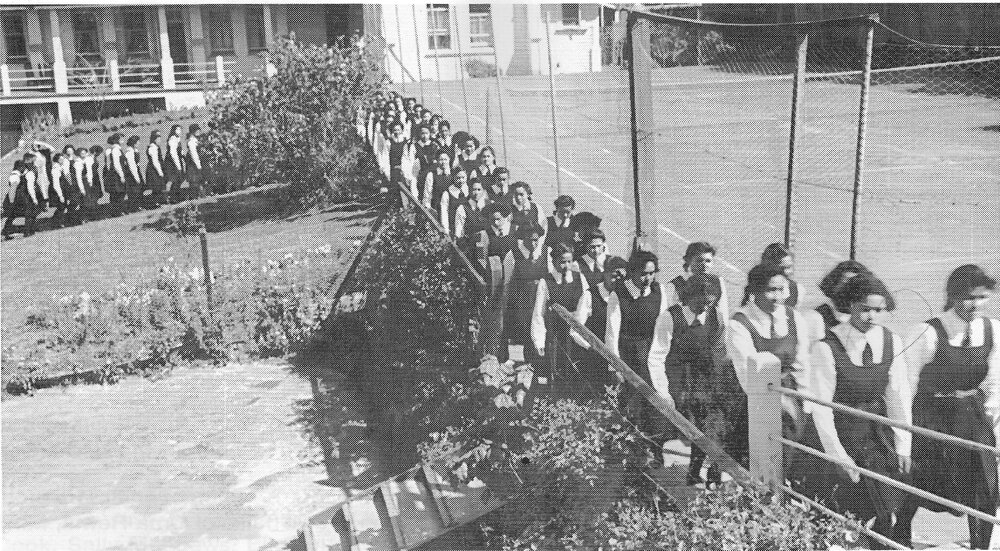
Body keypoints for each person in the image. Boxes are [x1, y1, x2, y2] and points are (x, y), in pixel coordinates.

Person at [796, 273, 912, 546]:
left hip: (876, 435)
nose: (871, 316)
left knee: (885, 510)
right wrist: (839, 457)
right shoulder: (827, 347)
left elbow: (898, 395)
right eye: (864, 309)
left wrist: (903, 445)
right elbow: (822, 409)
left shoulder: (891, 341)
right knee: (838, 512)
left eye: (878, 310)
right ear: (849, 306)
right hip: (839, 434)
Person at [896, 265, 999, 549]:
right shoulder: (927, 332)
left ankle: (981, 545)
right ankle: (898, 534)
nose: (976, 304)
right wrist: (904, 435)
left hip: (973, 416)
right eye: (968, 297)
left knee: (985, 484)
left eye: (982, 297)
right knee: (919, 482)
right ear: (953, 296)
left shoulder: (993, 330)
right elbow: (905, 386)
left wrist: (991, 427)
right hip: (932, 415)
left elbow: (994, 383)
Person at [726, 263, 812, 469]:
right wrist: (775, 403)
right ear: (755, 291)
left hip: (788, 394)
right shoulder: (739, 323)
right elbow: (746, 373)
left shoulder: (794, 318)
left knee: (792, 453)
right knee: (756, 457)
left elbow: (802, 364)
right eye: (770, 290)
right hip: (751, 398)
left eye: (781, 290)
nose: (777, 297)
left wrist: (806, 402)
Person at [648, 273, 728, 486]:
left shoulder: (716, 317)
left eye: (709, 304)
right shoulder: (670, 317)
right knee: (683, 424)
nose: (703, 308)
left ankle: (702, 470)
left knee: (710, 424)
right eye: (699, 303)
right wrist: (663, 391)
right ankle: (668, 460)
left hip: (704, 378)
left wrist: (720, 385)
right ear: (688, 297)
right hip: (677, 378)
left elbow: (720, 353)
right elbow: (656, 356)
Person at [606, 250, 673, 465]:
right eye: (644, 274)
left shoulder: (659, 291)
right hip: (629, 354)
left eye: (652, 273)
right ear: (632, 273)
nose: (649, 278)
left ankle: (655, 448)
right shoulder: (618, 295)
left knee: (654, 404)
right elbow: (612, 333)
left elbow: (662, 328)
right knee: (628, 402)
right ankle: (628, 449)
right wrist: (616, 366)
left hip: (652, 354)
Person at [531, 242, 587, 386]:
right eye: (562, 262)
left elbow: (585, 306)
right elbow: (538, 313)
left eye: (569, 261)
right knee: (556, 366)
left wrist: (578, 329)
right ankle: (555, 397)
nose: (567, 266)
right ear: (554, 261)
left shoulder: (579, 278)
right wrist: (539, 340)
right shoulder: (546, 282)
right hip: (554, 331)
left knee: (575, 364)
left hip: (575, 330)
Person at [571, 255, 629, 389]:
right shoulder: (590, 295)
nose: (617, 280)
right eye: (614, 275)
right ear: (605, 274)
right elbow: (575, 331)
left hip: (621, 358)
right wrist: (592, 347)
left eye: (622, 277)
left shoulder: (625, 297)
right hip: (594, 359)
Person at [804, 260, 874, 345]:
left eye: (857, 285)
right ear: (833, 284)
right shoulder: (815, 318)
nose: (851, 290)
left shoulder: (865, 323)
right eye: (847, 283)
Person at [507, 223, 548, 362]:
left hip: (541, 298)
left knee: (540, 328)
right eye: (530, 239)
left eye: (536, 239)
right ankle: (528, 363)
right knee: (526, 330)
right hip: (522, 299)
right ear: (523, 238)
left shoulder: (546, 252)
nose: (533, 243)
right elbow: (507, 281)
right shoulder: (513, 254)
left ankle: (539, 364)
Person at [3, 158, 39, 238]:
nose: (26, 169)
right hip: (19, 198)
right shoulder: (15, 175)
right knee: (28, 213)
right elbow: (13, 189)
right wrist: (11, 202)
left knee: (12, 215)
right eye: (24, 167)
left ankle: (6, 232)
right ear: (20, 167)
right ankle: (27, 232)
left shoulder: (18, 174)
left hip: (18, 198)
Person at [761, 243, 803, 307]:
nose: (790, 272)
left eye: (790, 267)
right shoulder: (757, 290)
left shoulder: (798, 290)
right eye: (783, 268)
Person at [439, 171, 469, 237]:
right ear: (453, 178)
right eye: (458, 178)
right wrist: (446, 229)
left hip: (468, 228)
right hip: (453, 228)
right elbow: (444, 212)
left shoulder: (470, 190)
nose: (461, 180)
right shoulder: (447, 193)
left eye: (463, 177)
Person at [104, 134, 127, 215]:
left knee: (119, 193)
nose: (123, 140)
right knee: (117, 193)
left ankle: (118, 211)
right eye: (121, 138)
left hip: (117, 173)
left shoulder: (117, 149)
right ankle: (116, 212)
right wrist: (121, 175)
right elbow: (116, 164)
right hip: (115, 174)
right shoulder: (115, 150)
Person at [164, 124, 185, 203]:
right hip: (171, 162)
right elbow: (173, 153)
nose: (179, 131)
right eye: (177, 130)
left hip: (176, 160)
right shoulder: (172, 139)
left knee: (178, 179)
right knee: (173, 180)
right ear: (174, 131)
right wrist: (178, 166)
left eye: (180, 130)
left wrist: (183, 156)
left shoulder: (177, 138)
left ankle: (177, 196)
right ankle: (172, 197)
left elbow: (180, 150)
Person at [146, 130, 166, 208]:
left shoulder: (156, 147)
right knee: (156, 186)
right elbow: (155, 161)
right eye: (158, 139)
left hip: (156, 168)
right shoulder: (152, 148)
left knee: (158, 186)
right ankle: (154, 203)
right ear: (154, 139)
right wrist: (160, 171)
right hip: (153, 169)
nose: (160, 140)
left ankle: (158, 201)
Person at [124, 135, 144, 212]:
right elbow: (132, 165)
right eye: (138, 141)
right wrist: (136, 177)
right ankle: (133, 207)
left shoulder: (134, 150)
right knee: (134, 191)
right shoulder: (129, 152)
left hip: (136, 170)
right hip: (131, 174)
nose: (139, 143)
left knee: (139, 189)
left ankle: (138, 206)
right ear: (134, 143)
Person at [185, 124, 204, 199]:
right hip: (192, 163)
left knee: (197, 178)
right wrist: (198, 165)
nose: (199, 131)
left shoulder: (196, 140)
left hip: (195, 161)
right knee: (194, 179)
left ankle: (199, 194)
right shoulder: (191, 141)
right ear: (193, 132)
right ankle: (194, 195)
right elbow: (194, 154)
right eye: (197, 130)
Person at [69, 146, 88, 224]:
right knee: (77, 202)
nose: (84, 154)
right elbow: (78, 177)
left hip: (84, 183)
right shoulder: (78, 163)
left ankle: (82, 218)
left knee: (83, 202)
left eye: (85, 152)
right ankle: (72, 218)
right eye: (82, 153)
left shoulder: (84, 161)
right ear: (79, 154)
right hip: (78, 184)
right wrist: (82, 188)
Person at [85, 145, 104, 220]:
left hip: (96, 178)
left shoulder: (94, 158)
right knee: (92, 197)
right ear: (95, 152)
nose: (99, 154)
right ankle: (92, 215)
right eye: (98, 153)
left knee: (96, 196)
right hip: (91, 179)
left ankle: (95, 213)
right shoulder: (89, 158)